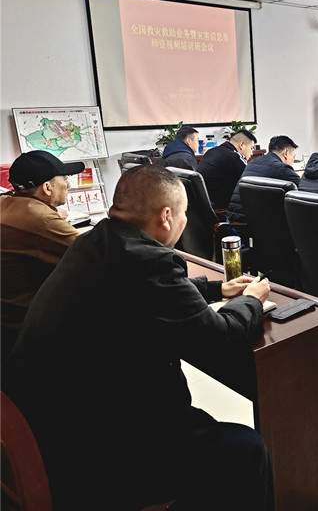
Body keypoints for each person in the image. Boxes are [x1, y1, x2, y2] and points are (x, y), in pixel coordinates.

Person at [3, 164, 273, 510]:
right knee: (247, 450)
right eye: (184, 213)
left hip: (40, 425)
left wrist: (216, 288)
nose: (185, 220)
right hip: (91, 454)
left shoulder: (96, 241)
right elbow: (220, 337)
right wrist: (252, 300)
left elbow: (149, 291)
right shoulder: (149, 262)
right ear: (166, 217)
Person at [1, 150, 85, 359]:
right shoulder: (42, 220)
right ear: (47, 187)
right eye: (64, 178)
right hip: (24, 330)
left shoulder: (6, 202)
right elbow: (96, 252)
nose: (69, 184)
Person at [227, 135, 300, 223]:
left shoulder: (253, 163)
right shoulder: (282, 169)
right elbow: (303, 190)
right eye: (294, 157)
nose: (293, 161)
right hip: (253, 224)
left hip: (234, 219)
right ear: (285, 153)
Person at [197, 128, 257, 209]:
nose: (252, 153)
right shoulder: (234, 157)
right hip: (218, 207)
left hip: (202, 205)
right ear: (241, 145)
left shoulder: (212, 151)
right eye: (251, 148)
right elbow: (249, 181)